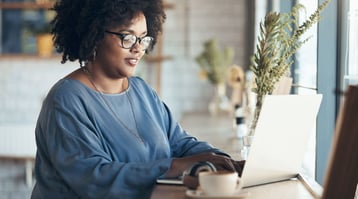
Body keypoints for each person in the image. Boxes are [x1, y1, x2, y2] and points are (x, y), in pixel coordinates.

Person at [31, 0, 244, 198]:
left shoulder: (142, 91)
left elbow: (179, 143)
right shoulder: (66, 100)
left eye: (143, 38)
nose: (138, 48)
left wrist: (225, 161)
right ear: (94, 35)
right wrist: (175, 166)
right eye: (127, 36)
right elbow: (95, 178)